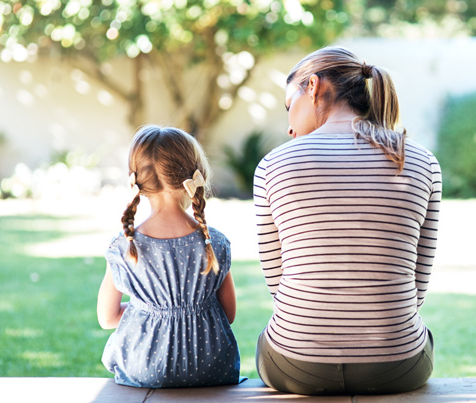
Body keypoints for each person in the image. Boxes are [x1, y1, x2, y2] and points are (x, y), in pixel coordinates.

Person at [253, 46, 442, 395]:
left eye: (288, 106)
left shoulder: (273, 165)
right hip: (397, 365)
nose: (289, 126)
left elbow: (278, 285)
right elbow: (417, 285)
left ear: (313, 86)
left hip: (295, 365)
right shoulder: (421, 161)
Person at [98, 125, 240, 388]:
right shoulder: (215, 242)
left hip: (144, 369)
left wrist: (148, 309)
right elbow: (228, 313)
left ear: (137, 182)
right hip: (211, 367)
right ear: (195, 176)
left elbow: (107, 318)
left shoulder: (124, 246)